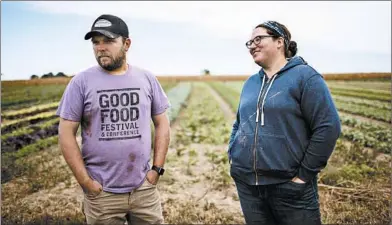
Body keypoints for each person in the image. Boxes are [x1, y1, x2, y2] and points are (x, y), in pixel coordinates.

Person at [56, 14, 171, 225]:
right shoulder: (80, 82)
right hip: (102, 194)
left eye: (108, 41)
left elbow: (162, 123)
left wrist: (156, 170)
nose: (100, 48)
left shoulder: (146, 79)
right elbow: (65, 133)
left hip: (143, 190)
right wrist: (86, 183)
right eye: (95, 42)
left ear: (126, 44)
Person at [227, 20, 341, 225]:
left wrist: (302, 177)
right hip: (248, 186)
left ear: (280, 42)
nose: (252, 45)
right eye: (249, 42)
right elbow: (239, 123)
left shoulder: (305, 77)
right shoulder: (251, 83)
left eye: (258, 39)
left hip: (289, 187)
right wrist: (233, 157)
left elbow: (327, 127)